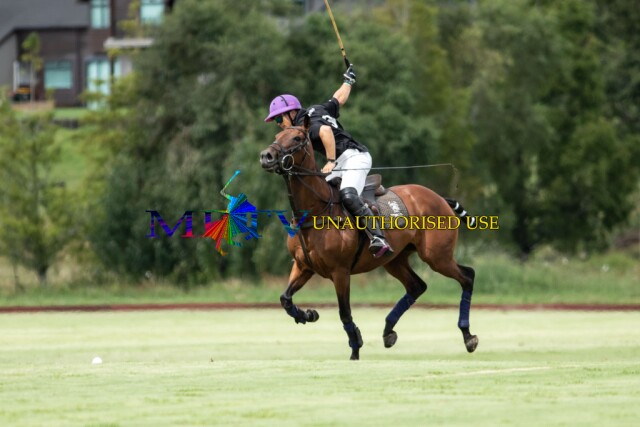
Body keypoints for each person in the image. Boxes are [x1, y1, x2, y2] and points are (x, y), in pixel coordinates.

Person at [264, 65, 393, 257]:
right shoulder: (316, 109)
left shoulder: (304, 127)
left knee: (348, 195)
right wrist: (348, 81)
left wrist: (331, 161)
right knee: (319, 193)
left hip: (355, 157)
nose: (279, 124)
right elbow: (338, 99)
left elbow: (325, 131)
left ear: (291, 113)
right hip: (342, 162)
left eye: (278, 119)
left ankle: (378, 237)